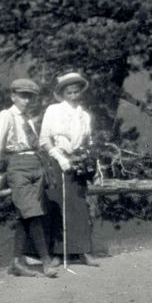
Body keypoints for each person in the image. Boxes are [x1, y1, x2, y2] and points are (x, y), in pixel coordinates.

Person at [0, 78, 60, 278]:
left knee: (27, 215)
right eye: (23, 96)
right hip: (18, 166)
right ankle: (46, 262)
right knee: (32, 213)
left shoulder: (28, 120)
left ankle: (16, 263)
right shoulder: (7, 115)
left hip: (36, 164)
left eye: (30, 97)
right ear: (13, 96)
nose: (27, 101)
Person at [39, 70, 100, 267]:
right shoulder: (53, 110)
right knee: (60, 205)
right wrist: (60, 157)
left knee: (80, 206)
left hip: (79, 162)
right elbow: (44, 139)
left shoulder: (84, 115)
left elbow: (89, 141)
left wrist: (93, 164)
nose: (73, 96)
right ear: (63, 93)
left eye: (76, 92)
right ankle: (58, 253)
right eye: (69, 93)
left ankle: (83, 251)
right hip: (59, 161)